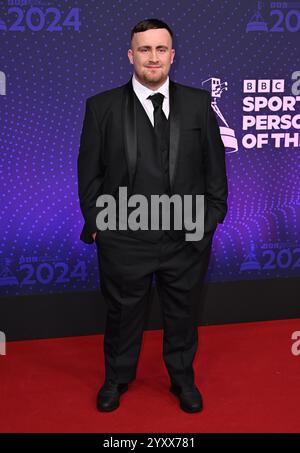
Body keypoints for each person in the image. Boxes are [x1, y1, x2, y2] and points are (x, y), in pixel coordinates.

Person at [77, 18, 228, 413]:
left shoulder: (198, 104)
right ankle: (116, 379)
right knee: (123, 315)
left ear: (173, 55)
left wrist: (211, 219)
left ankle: (182, 380)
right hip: (124, 237)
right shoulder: (101, 107)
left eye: (161, 49)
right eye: (145, 49)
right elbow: (88, 172)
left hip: (187, 236)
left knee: (183, 314)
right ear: (131, 55)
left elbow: (216, 169)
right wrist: (98, 225)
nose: (153, 57)